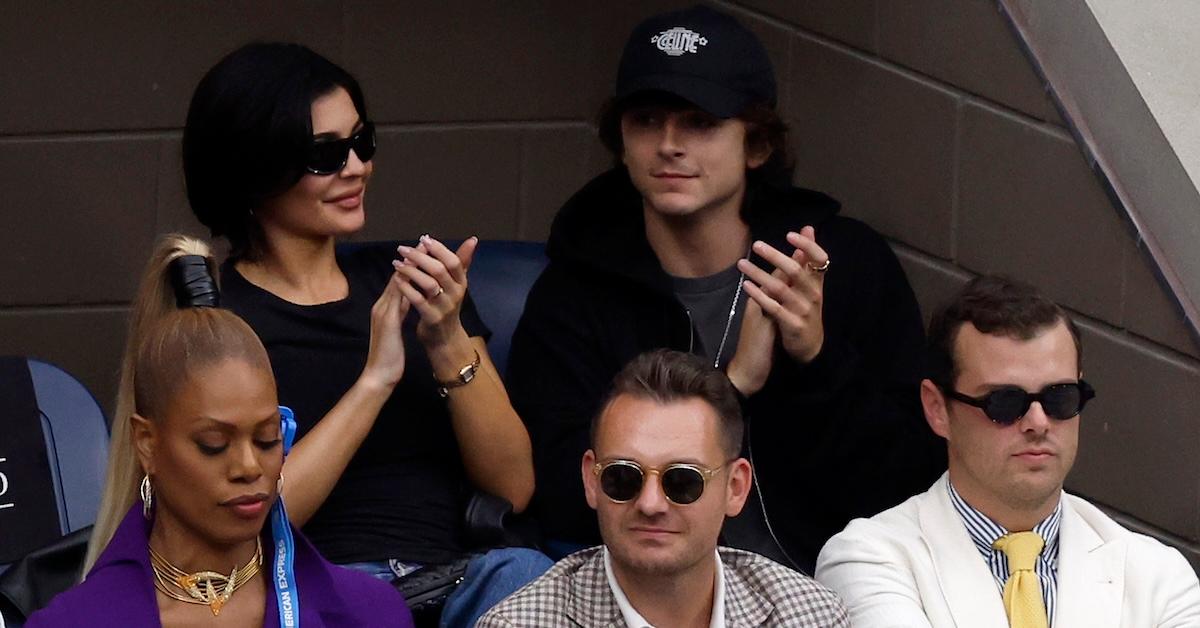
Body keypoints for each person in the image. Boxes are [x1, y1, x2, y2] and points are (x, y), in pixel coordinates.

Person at [506, 4, 945, 572]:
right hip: (644, 589)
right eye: (646, 121)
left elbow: (911, 483)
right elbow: (564, 497)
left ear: (756, 146)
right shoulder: (577, 288)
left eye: (700, 122)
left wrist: (816, 356)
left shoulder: (841, 263)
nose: (669, 144)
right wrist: (730, 387)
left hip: (828, 584)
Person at [169, 42, 546, 626]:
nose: (356, 167)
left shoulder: (411, 286)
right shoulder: (221, 323)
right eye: (326, 154)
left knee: (530, 573)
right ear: (255, 169)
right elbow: (247, 519)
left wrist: (445, 338)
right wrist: (376, 379)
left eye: (361, 142)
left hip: (462, 580)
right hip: (322, 591)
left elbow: (514, 487)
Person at [31, 235, 412, 627]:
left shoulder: (369, 612)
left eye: (267, 438)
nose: (249, 467)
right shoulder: (73, 621)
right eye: (213, 444)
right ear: (147, 444)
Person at [815, 276, 1200, 627]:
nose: (1038, 421)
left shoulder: (1160, 577)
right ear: (937, 409)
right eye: (1004, 402)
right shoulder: (866, 559)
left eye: (1060, 397)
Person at [479, 350, 848, 627]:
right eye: (623, 478)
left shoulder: (810, 616)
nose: (651, 503)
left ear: (735, 488)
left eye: (682, 480)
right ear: (591, 480)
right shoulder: (520, 625)